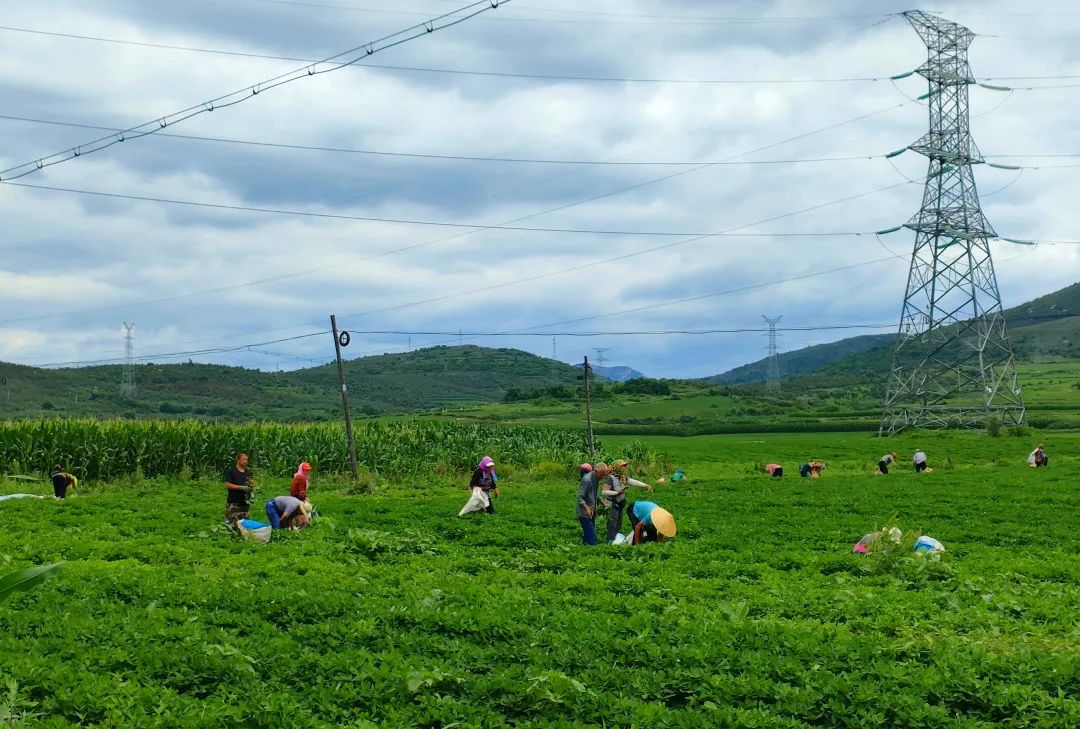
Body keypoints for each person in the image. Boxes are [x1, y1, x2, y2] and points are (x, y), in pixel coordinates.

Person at [603, 459, 655, 543]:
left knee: (618, 524)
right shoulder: (611, 478)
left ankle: (615, 540)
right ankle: (609, 541)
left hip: (620, 504)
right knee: (612, 524)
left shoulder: (623, 477)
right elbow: (604, 491)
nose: (625, 468)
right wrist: (617, 492)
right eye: (622, 466)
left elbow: (633, 482)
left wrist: (645, 485)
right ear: (617, 467)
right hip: (612, 504)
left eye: (625, 466)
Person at [576, 462, 608, 546]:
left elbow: (594, 493)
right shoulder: (587, 480)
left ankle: (584, 547)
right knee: (593, 541)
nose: (602, 477)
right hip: (584, 512)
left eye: (604, 475)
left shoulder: (596, 479)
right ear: (596, 471)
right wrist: (586, 508)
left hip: (592, 510)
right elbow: (580, 497)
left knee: (588, 535)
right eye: (601, 475)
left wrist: (602, 502)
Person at [224, 453, 254, 529]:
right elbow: (228, 484)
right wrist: (241, 487)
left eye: (246, 460)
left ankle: (243, 538)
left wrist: (251, 488)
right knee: (231, 523)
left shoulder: (248, 473)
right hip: (234, 501)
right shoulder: (231, 471)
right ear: (238, 460)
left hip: (245, 502)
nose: (245, 461)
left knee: (244, 523)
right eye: (243, 459)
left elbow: (252, 484)